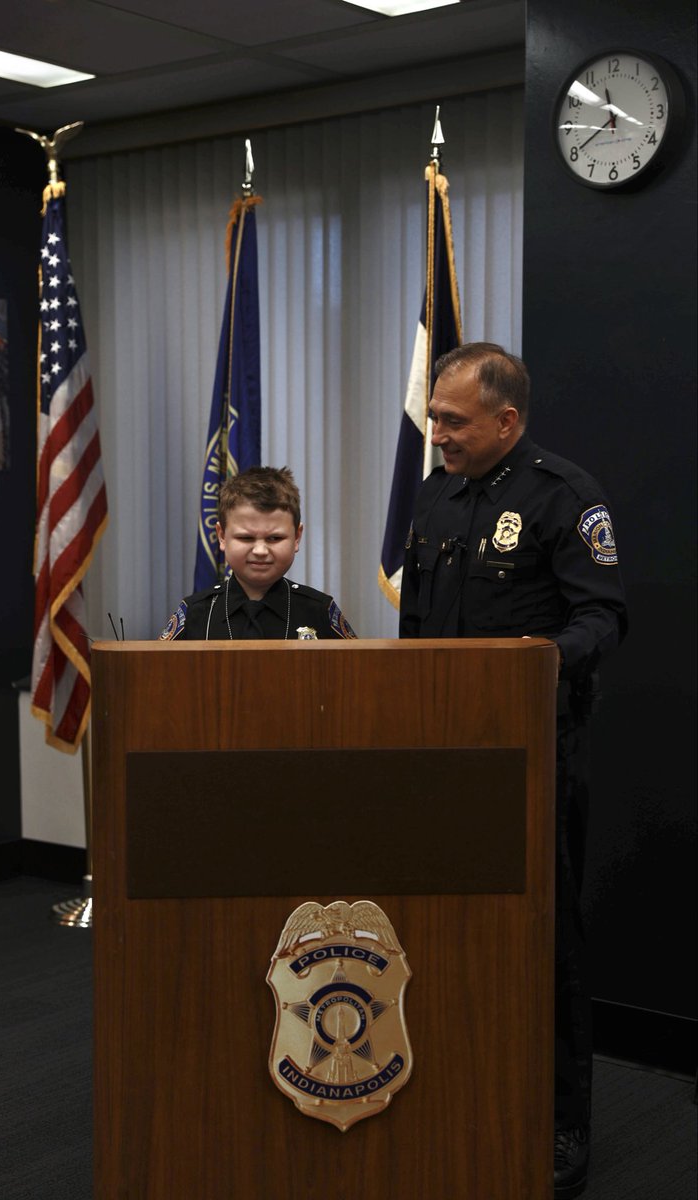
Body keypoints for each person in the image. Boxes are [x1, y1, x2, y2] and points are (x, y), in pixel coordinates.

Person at [399, 343, 627, 1200]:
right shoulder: (436, 493)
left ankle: (563, 1122)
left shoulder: (564, 496)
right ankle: (458, 1088)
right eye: (434, 416)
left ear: (506, 420)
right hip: (439, 752)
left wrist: (541, 661)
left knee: (546, 940)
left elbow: (603, 615)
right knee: (444, 929)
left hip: (534, 754)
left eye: (453, 420)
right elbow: (417, 626)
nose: (437, 432)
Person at [160, 466, 357, 641]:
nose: (260, 551)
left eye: (275, 538)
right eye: (246, 538)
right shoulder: (196, 613)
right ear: (222, 536)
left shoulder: (319, 611)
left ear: (296, 537)